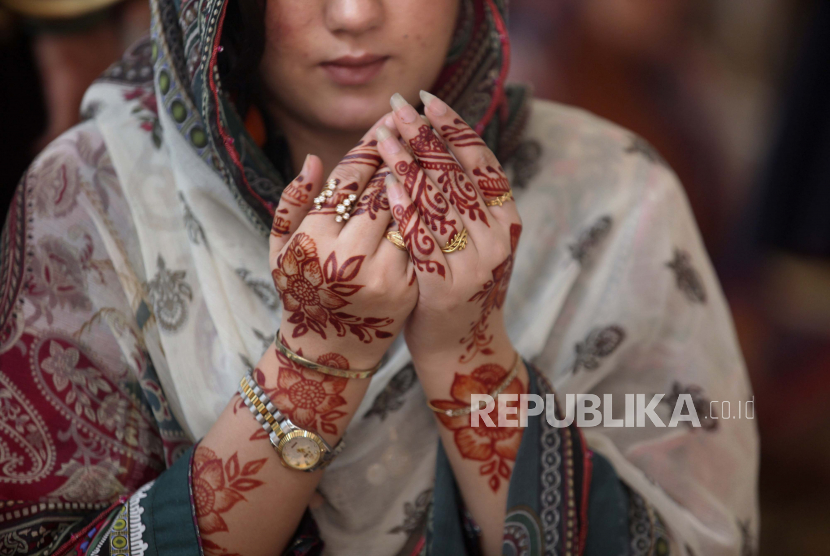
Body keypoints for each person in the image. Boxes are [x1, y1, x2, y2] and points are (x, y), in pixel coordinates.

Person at [0, 0, 758, 554]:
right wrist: (319, 362)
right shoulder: (101, 198)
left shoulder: (609, 194)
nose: (356, 14)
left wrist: (468, 354)